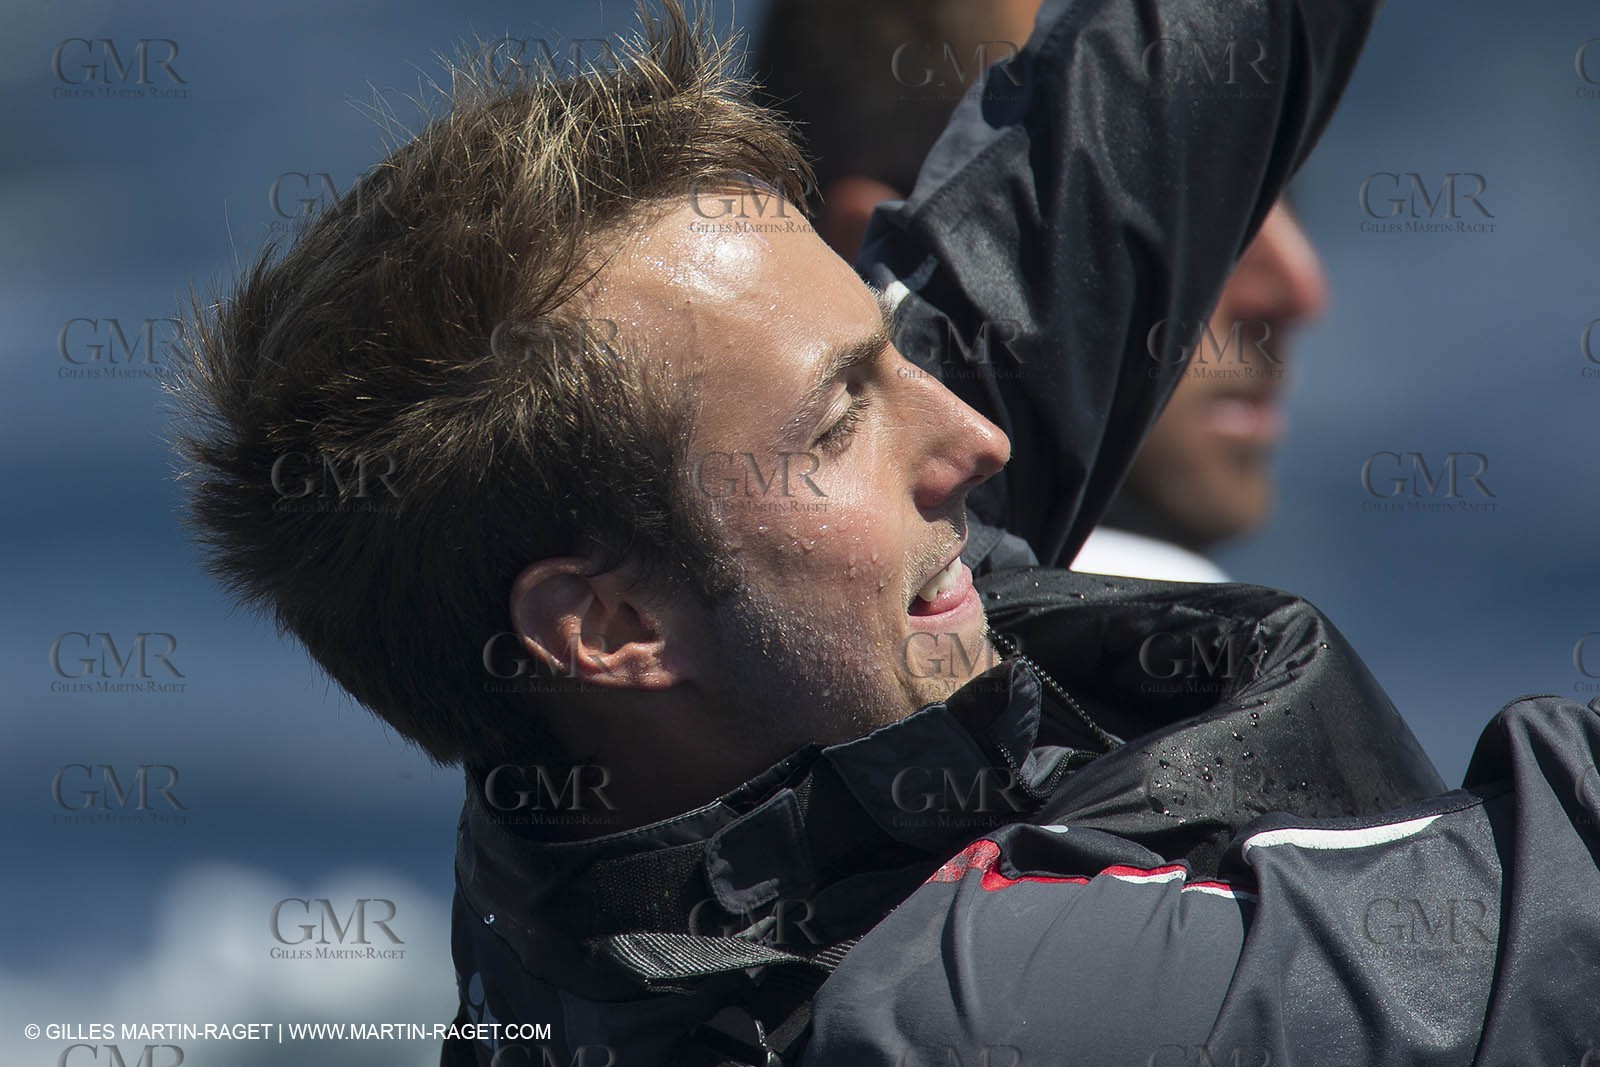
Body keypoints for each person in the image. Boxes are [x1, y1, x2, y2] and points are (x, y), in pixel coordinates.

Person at [168, 1, 1600, 1065]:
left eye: (883, 348)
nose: (970, 437)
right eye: (843, 413)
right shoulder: (960, 1016)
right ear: (608, 625)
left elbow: (1163, 87)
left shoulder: (634, 758)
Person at [756, 0, 1331, 584]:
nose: (1300, 288)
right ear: (866, 261)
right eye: (1171, 203)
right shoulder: (1191, 656)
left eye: (1268, 181)